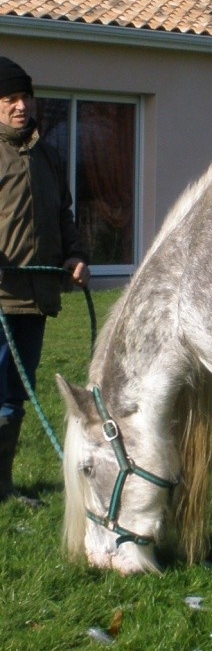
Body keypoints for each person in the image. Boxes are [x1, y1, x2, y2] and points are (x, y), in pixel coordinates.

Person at [0, 56, 89, 502]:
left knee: (16, 392)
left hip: (35, 296)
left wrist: (74, 255)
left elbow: (63, 215)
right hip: (1, 295)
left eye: (25, 98)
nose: (21, 106)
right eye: (10, 98)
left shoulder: (47, 155)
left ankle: (3, 483)